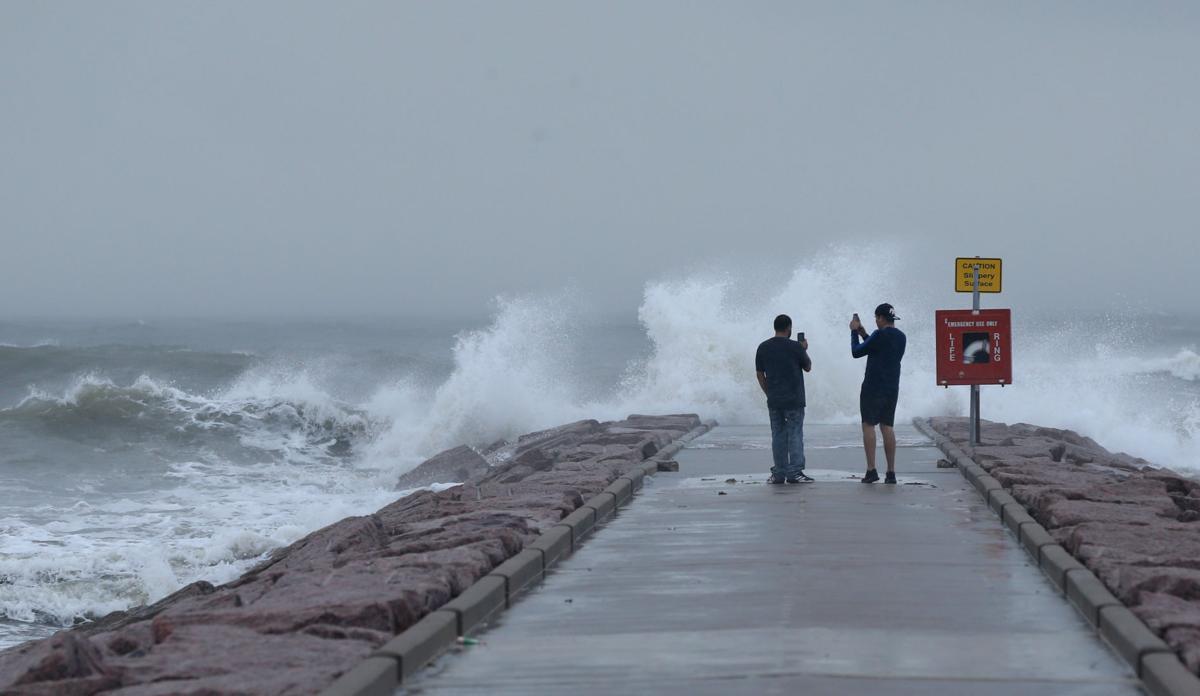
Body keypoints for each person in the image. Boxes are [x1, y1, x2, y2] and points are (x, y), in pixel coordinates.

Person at [850, 303, 907, 484]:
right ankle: (891, 473)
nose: (875, 321)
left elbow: (856, 352)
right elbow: (879, 350)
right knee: (887, 427)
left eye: (876, 318)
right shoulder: (901, 337)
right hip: (892, 387)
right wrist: (864, 335)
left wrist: (853, 332)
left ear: (881, 318)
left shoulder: (879, 335)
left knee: (868, 425)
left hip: (873, 387)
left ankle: (871, 469)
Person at [755, 314, 813, 484]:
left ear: (775, 327)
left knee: (778, 435)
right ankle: (794, 472)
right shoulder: (795, 347)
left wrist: (768, 392)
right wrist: (803, 349)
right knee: (795, 433)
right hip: (794, 399)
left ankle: (779, 473)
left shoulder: (763, 347)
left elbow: (759, 374)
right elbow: (808, 367)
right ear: (789, 328)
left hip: (774, 399)